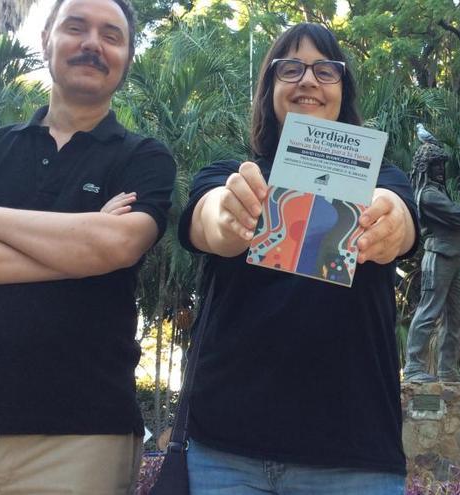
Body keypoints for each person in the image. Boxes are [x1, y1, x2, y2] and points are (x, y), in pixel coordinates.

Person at [0, 0, 175, 492]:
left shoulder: (143, 158)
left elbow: (116, 247)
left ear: (127, 57)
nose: (93, 43)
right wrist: (80, 248)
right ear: (46, 38)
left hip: (82, 437)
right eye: (76, 27)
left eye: (111, 35)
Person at [178, 23, 418, 495]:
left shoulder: (383, 177)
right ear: (270, 89)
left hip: (355, 458)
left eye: (325, 70)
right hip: (227, 455)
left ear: (342, 91)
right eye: (290, 69)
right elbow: (206, 222)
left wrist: (392, 223)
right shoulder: (229, 174)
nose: (308, 80)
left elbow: (403, 219)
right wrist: (227, 218)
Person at [402, 143, 460, 383]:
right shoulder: (428, 194)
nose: (440, 169)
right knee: (429, 311)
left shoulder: (438, 192)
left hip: (452, 258)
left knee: (455, 316)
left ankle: (447, 369)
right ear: (425, 168)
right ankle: (413, 367)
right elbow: (459, 214)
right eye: (435, 164)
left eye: (442, 164)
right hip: (438, 257)